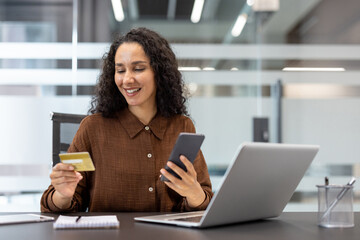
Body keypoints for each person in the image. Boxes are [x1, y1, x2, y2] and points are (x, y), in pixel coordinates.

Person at [41, 27, 213, 212]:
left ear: (159, 73)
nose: (127, 79)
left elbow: (204, 200)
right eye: (120, 70)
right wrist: (63, 195)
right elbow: (56, 205)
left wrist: (194, 194)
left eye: (138, 69)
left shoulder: (181, 126)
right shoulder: (93, 128)